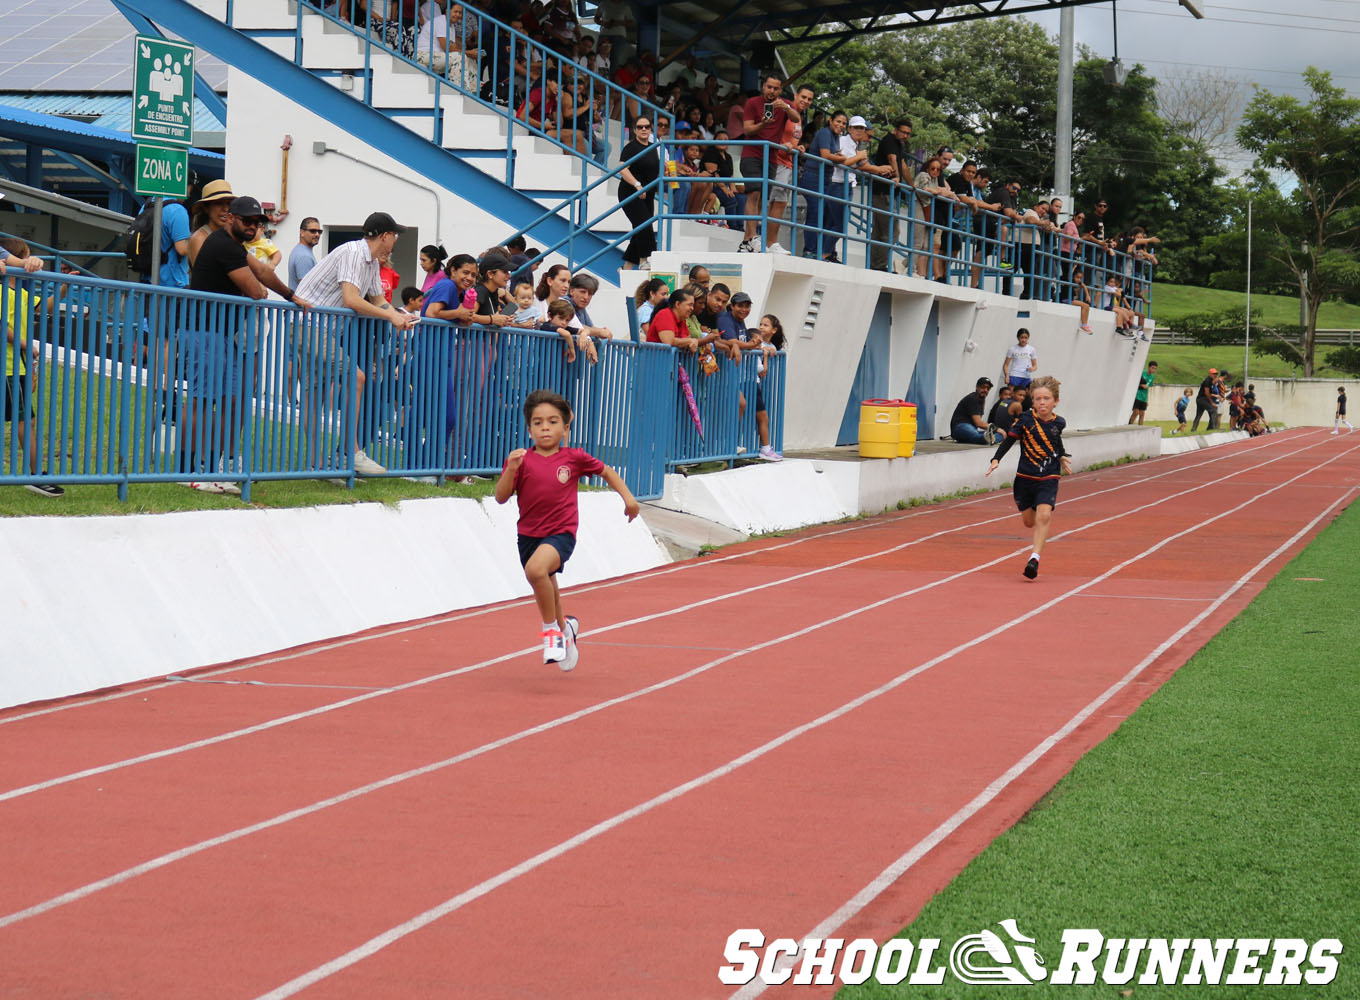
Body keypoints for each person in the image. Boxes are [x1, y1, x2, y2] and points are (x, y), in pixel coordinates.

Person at [495, 388, 640, 670]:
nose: (545, 428)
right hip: (528, 535)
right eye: (538, 423)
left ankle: (551, 635)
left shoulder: (574, 458)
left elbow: (606, 472)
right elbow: (501, 497)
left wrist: (629, 499)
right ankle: (567, 632)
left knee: (536, 571)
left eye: (552, 421)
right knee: (547, 585)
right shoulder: (521, 460)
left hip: (561, 533)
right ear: (529, 429)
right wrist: (511, 469)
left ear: (564, 427)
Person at [184, 195, 309, 494]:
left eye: (258, 222)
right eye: (247, 221)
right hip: (205, 330)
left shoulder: (233, 246)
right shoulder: (223, 245)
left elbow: (264, 273)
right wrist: (262, 290)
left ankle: (211, 468)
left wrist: (292, 296)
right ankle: (191, 471)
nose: (253, 226)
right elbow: (256, 290)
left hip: (221, 332)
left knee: (223, 398)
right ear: (231, 219)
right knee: (203, 400)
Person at [295, 211, 417, 476]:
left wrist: (401, 315)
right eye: (394, 235)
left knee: (315, 393)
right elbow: (351, 299)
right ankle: (351, 453)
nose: (395, 240)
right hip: (310, 325)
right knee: (356, 378)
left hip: (319, 327)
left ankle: (318, 466)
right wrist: (390, 315)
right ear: (385, 236)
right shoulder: (353, 253)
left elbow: (377, 300)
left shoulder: (371, 262)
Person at [986, 374, 1070, 579]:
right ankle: (1032, 508)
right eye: (1038, 399)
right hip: (1025, 477)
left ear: (1055, 402)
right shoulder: (1025, 419)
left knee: (1044, 515)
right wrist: (996, 459)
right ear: (1032, 401)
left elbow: (1055, 441)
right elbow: (1009, 441)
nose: (1042, 403)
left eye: (1046, 399)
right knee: (1029, 522)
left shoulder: (1059, 422)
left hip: (1049, 476)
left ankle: (1034, 559)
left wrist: (1061, 457)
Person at [1, 238, 64, 497]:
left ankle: (34, 471)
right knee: (25, 420)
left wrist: (63, 288)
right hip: (8, 368)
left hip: (19, 367)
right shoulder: (2, 290)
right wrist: (27, 344)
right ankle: (34, 474)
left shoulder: (21, 293)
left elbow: (45, 306)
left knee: (26, 419)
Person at [738, 73, 792, 253]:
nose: (772, 91)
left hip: (771, 157)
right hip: (751, 154)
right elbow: (747, 129)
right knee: (753, 193)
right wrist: (762, 124)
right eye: (769, 87)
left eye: (776, 88)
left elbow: (797, 118)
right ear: (764, 86)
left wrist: (785, 107)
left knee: (762, 198)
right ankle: (753, 237)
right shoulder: (753, 103)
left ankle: (747, 241)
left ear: (780, 90)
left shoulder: (783, 104)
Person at [617, 114, 660, 269]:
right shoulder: (631, 147)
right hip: (631, 192)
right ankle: (644, 260)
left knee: (641, 227)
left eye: (646, 127)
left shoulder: (653, 147)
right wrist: (637, 185)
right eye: (640, 127)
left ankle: (627, 266)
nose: (643, 129)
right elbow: (622, 168)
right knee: (643, 225)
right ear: (634, 130)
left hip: (648, 194)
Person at [949, 376, 994, 445]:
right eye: (983, 387)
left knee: (999, 435)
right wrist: (996, 429)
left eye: (988, 388)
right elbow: (978, 423)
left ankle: (989, 439)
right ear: (977, 387)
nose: (985, 390)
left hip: (971, 429)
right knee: (989, 435)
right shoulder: (973, 398)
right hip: (960, 427)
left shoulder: (982, 400)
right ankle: (987, 439)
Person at [289, 217, 322, 289]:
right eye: (313, 231)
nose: (317, 234)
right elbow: (306, 288)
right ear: (302, 233)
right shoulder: (304, 256)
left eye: (319, 232)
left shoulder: (300, 250)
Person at [1191, 367, 1218, 432]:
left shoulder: (1209, 380)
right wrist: (1211, 402)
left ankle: (1193, 430)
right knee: (1213, 411)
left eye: (1216, 374)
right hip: (1202, 399)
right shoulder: (1208, 380)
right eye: (1214, 373)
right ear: (1210, 374)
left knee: (1198, 415)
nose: (1215, 375)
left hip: (1200, 399)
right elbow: (1206, 392)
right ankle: (1215, 429)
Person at [1130, 360, 1157, 425]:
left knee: (1142, 414)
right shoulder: (1142, 373)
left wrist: (1147, 400)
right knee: (1136, 412)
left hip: (1144, 398)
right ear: (1149, 367)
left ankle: (1140, 430)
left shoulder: (1152, 376)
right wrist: (1142, 385)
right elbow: (1134, 383)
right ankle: (1129, 425)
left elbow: (1148, 388)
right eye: (1152, 368)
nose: (1154, 370)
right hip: (1138, 395)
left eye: (1155, 369)